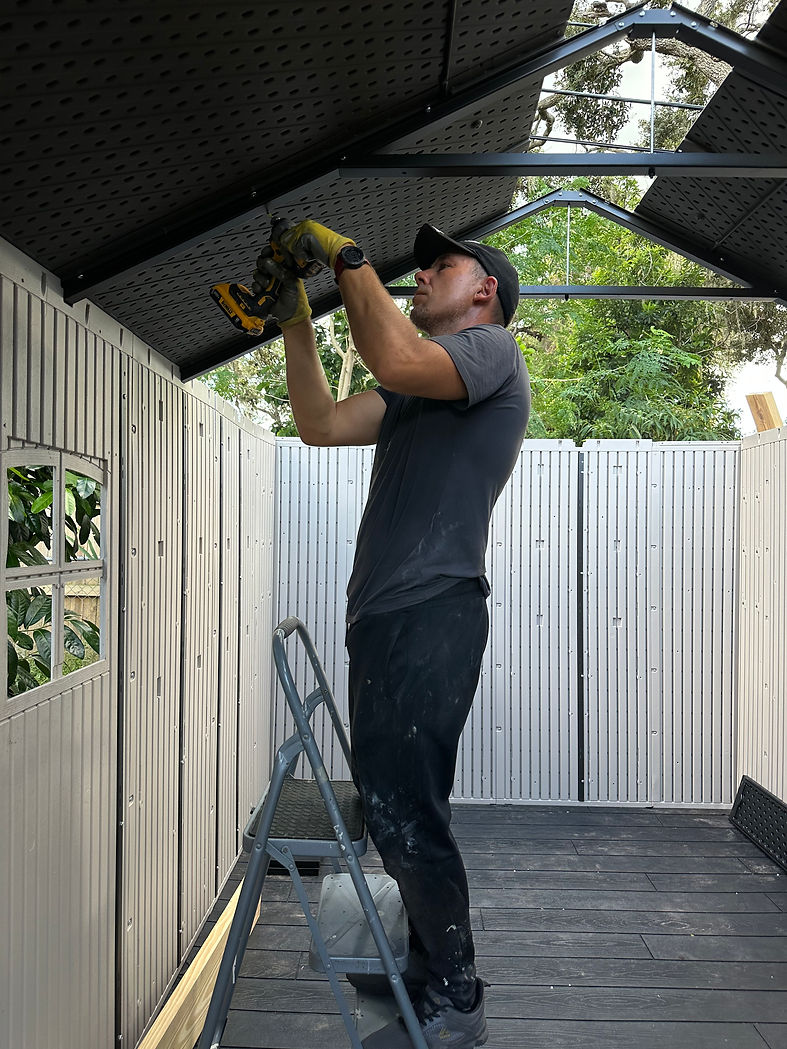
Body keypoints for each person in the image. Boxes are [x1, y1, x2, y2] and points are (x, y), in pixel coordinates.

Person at [255, 219, 530, 1049]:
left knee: (408, 812)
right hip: (390, 618)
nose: (423, 274)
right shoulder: (421, 388)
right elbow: (320, 423)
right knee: (396, 805)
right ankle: (422, 965)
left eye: (440, 266)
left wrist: (344, 258)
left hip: (431, 610)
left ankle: (459, 994)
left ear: (484, 290)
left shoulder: (490, 355)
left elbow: (396, 354)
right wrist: (297, 315)